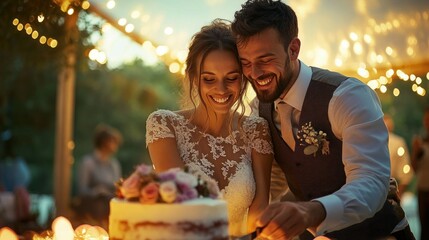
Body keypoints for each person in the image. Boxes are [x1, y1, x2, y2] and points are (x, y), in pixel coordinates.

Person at [231, 0, 414, 239]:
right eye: (245, 63)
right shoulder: (259, 109)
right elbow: (275, 179)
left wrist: (312, 212)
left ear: (293, 49)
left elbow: (371, 182)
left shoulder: (347, 96)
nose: (254, 74)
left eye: (265, 60)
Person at [145, 19, 274, 236]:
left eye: (231, 78)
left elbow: (260, 206)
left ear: (243, 78)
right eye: (209, 79)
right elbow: (181, 203)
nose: (221, 89)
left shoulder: (256, 130)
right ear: (195, 78)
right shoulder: (164, 125)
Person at [76, 124, 122, 226]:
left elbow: (117, 188)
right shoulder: (87, 163)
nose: (115, 145)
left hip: (109, 203)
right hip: (92, 206)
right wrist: (96, 192)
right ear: (104, 142)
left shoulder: (114, 164)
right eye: (113, 141)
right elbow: (82, 190)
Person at [384, 114, 414, 196]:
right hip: (391, 187)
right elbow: (405, 172)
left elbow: (405, 170)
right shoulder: (398, 142)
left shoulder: (398, 143)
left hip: (375, 187)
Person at [411, 106, 429, 240]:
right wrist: (415, 152)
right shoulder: (422, 142)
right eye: (426, 119)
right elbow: (414, 169)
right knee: (424, 226)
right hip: (423, 189)